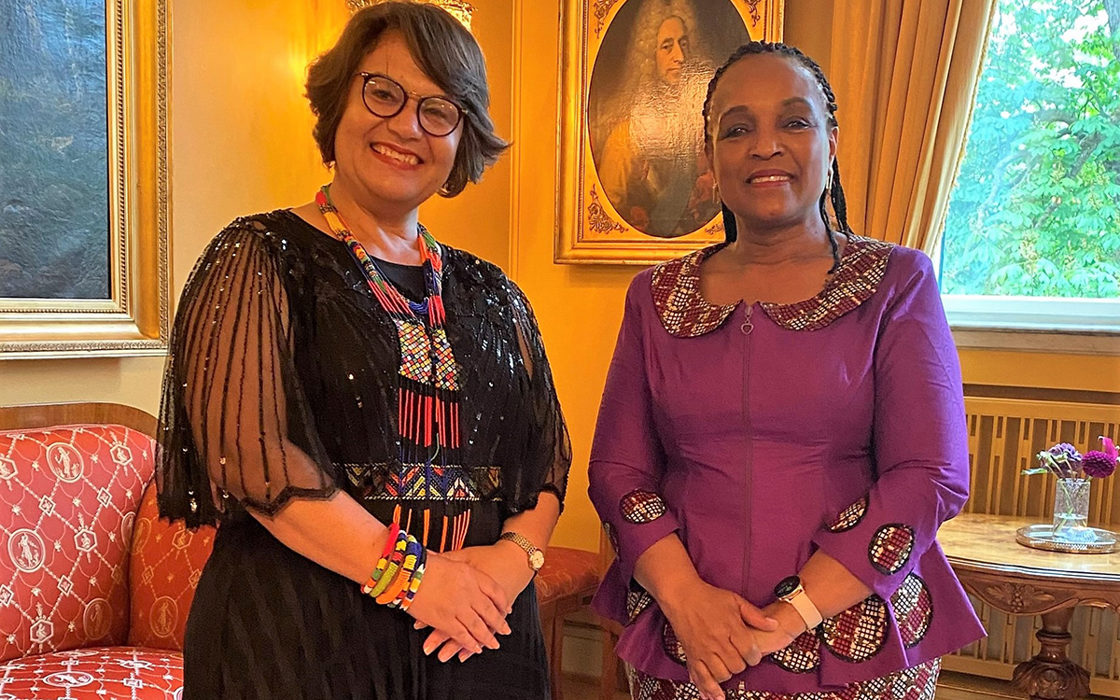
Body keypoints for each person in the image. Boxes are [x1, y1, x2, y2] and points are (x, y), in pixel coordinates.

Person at [156, 4, 571, 698]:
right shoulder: (258, 257)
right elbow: (257, 461)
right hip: (304, 641)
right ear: (339, 100)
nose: (407, 126)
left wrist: (509, 566)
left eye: (438, 109)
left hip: (480, 634)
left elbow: (544, 460)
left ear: (463, 136)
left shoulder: (495, 292)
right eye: (384, 93)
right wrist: (418, 579)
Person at [588, 41, 985, 700]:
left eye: (794, 122)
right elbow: (617, 471)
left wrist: (787, 619)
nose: (765, 146)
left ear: (831, 142)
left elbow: (929, 474)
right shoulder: (654, 296)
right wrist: (687, 602)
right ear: (709, 157)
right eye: (737, 129)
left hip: (854, 635)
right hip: (687, 639)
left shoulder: (896, 281)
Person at [595, 0, 719, 237]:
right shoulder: (625, 137)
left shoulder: (709, 128)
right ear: (650, 57)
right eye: (667, 47)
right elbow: (610, 213)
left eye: (684, 44)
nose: (679, 56)